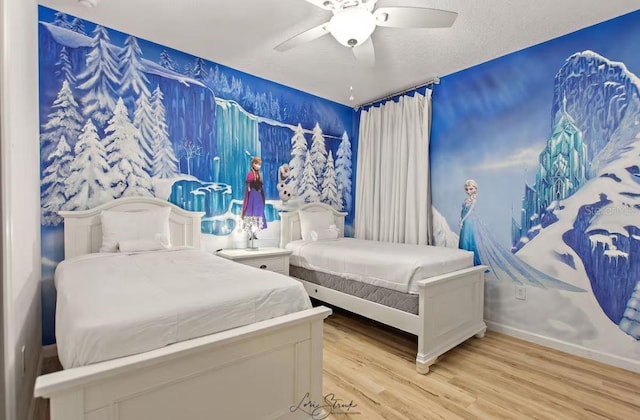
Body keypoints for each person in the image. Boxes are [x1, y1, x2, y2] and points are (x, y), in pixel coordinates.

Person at [459, 179, 481, 265]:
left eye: (471, 189)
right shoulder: (466, 200)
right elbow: (463, 210)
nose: (468, 191)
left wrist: (463, 220)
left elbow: (469, 212)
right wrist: (460, 219)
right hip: (464, 221)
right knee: (463, 239)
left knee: (467, 239)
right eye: (467, 189)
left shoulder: (473, 200)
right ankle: (462, 261)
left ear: (475, 188)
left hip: (468, 221)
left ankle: (470, 262)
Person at [241, 156, 267, 231]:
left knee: (258, 211)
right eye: (256, 164)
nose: (258, 166)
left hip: (258, 196)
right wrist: (250, 186)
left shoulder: (259, 174)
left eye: (259, 164)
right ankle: (250, 231)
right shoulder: (250, 174)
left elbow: (261, 185)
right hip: (252, 195)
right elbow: (248, 184)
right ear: (253, 164)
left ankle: (255, 231)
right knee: (251, 211)